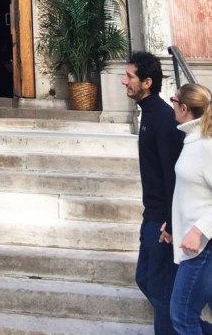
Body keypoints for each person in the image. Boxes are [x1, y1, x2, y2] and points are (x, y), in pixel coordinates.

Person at [122, 51, 184, 335]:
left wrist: (171, 224)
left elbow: (173, 176)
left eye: (130, 76)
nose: (124, 81)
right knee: (145, 279)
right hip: (151, 216)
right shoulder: (148, 114)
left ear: (147, 82)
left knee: (161, 294)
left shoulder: (163, 119)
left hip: (161, 222)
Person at [168, 83, 212, 335]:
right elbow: (191, 191)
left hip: (203, 247)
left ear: (184, 108)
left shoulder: (206, 145)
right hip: (196, 243)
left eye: (173, 100)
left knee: (182, 316)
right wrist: (174, 224)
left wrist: (197, 230)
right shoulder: (193, 140)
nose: (172, 104)